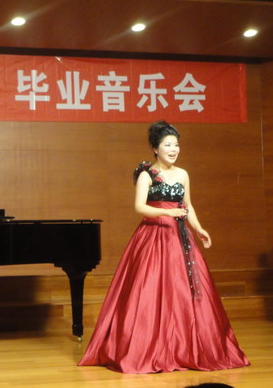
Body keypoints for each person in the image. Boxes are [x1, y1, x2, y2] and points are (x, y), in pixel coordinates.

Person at [78, 121, 249, 373]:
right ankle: (148, 348)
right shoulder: (146, 175)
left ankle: (184, 347)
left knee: (183, 290)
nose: (173, 149)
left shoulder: (183, 174)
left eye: (176, 145)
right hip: (153, 236)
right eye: (168, 145)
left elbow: (187, 205)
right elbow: (140, 207)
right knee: (148, 289)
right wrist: (168, 213)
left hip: (179, 238)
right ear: (155, 148)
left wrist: (198, 228)